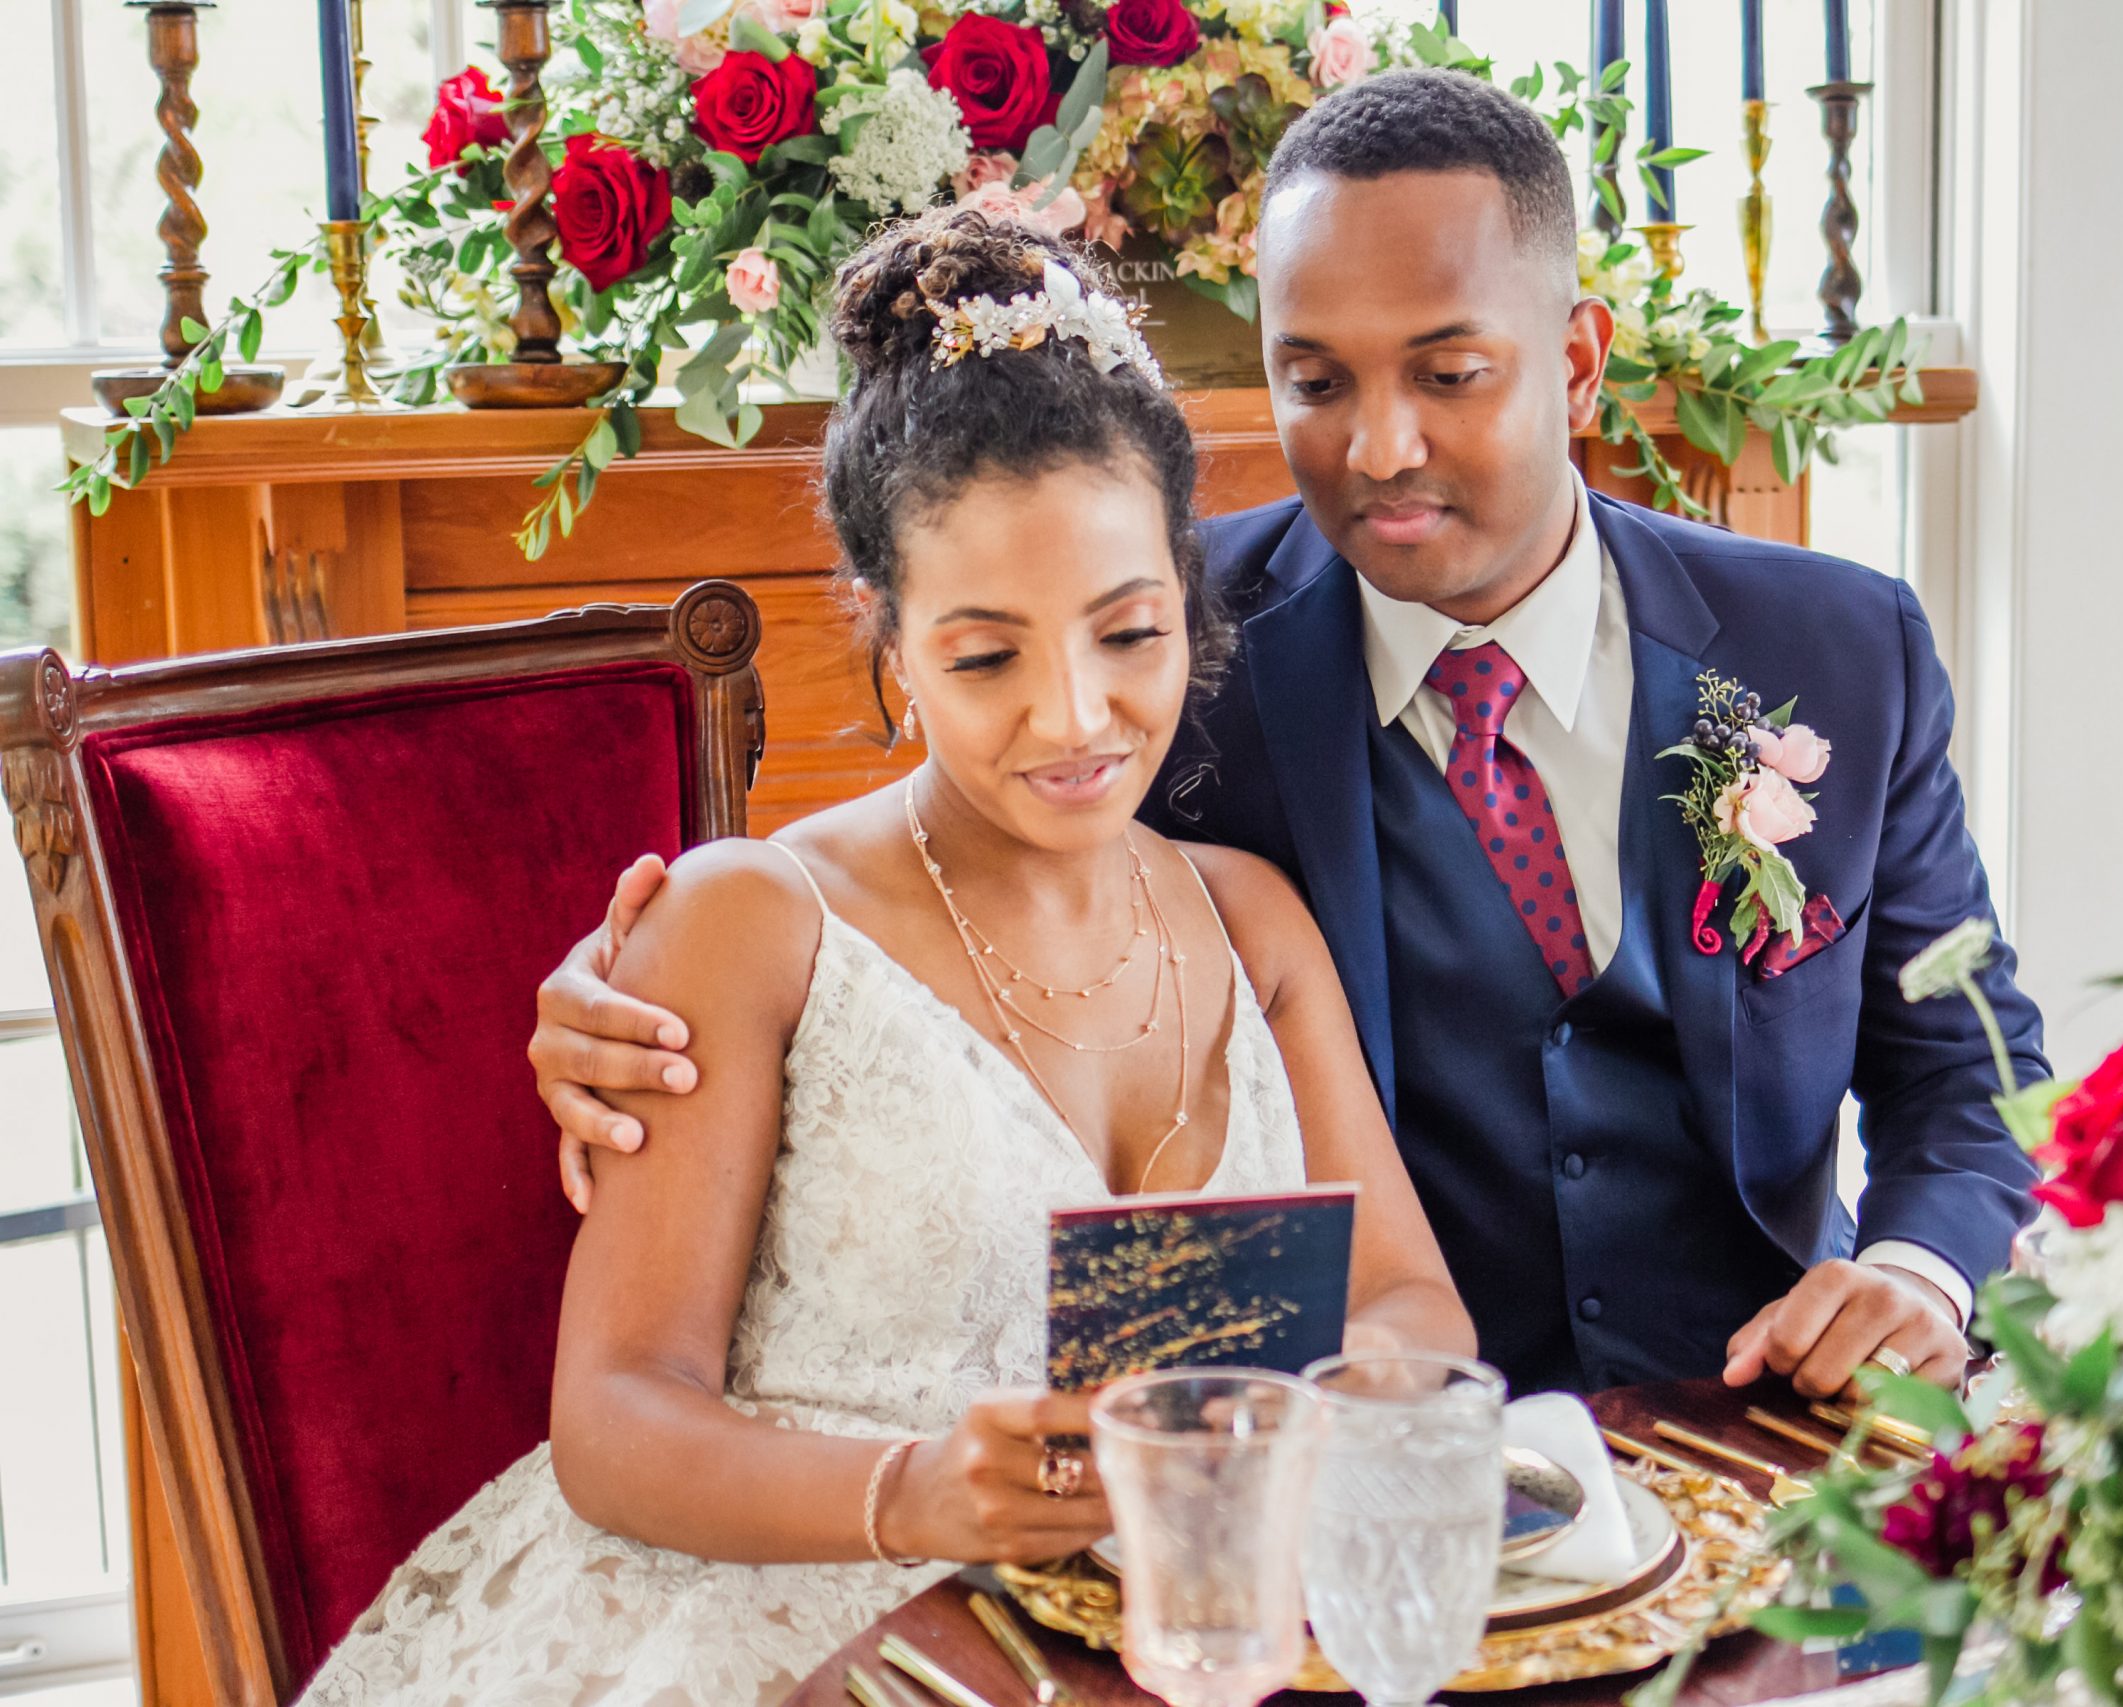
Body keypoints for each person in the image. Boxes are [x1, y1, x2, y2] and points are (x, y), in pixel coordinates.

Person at [532, 70, 2047, 1406]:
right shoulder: (1149, 644)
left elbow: (1969, 1071)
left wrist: (1918, 1272)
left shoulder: (1834, 650)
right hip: (1365, 1455)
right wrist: (639, 989)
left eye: (1450, 375)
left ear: (1580, 362)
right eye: (1315, 381)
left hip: (1765, 1424)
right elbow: (936, 871)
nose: (1378, 448)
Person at [305, 212, 1470, 1706]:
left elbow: (1414, 1308)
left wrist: (1270, 1450)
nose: (1075, 717)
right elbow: (613, 1418)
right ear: (889, 634)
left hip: (1178, 1632)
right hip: (783, 1625)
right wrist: (908, 1493)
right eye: (986, 657)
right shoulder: (752, 922)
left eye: (1129, 634)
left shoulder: (1252, 919)